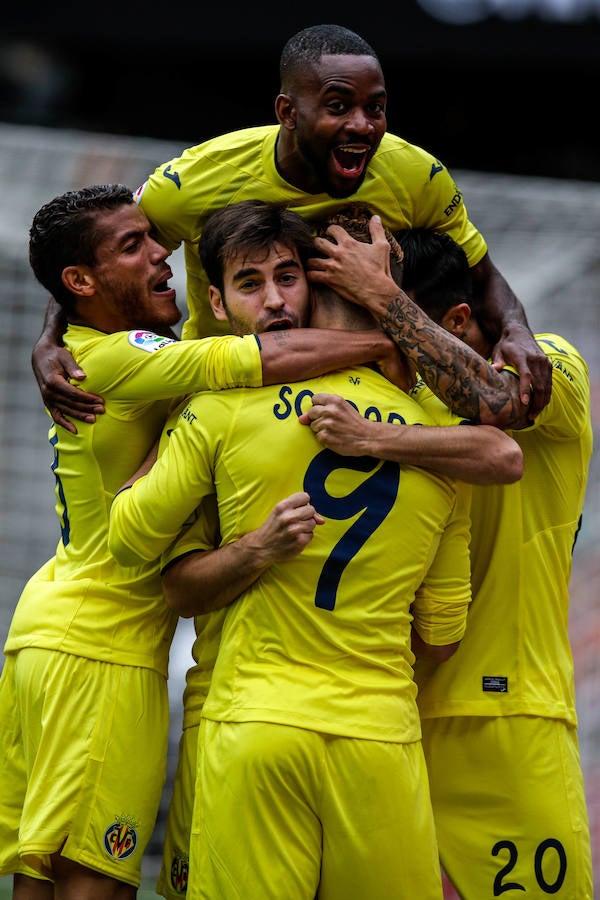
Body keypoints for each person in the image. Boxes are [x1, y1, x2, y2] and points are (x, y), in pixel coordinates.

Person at [0, 184, 425, 899]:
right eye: (134, 246)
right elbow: (254, 358)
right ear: (80, 282)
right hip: (105, 644)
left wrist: (49, 332)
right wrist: (395, 328)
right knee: (94, 884)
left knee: (41, 879)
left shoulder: (87, 347)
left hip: (55, 629)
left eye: (152, 237)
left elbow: (92, 285)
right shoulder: (132, 356)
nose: (161, 254)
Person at [108, 200, 523, 900]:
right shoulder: (444, 441)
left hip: (255, 722)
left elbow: (129, 542)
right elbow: (442, 632)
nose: (274, 297)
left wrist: (249, 544)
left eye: (287, 276)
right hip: (379, 736)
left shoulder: (221, 402)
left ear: (312, 281)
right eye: (254, 283)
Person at [30, 23, 552, 434]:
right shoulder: (195, 181)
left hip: (370, 392)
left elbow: (482, 274)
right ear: (288, 111)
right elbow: (96, 258)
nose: (362, 125)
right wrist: (51, 335)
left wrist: (517, 329)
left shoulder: (417, 175)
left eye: (376, 107)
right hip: (230, 392)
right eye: (338, 105)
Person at [303, 222, 594, 898]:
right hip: (383, 723)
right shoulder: (388, 395)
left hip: (506, 719)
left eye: (390, 326)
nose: (377, 349)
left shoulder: (551, 366)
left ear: (457, 318)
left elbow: (501, 408)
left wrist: (385, 299)